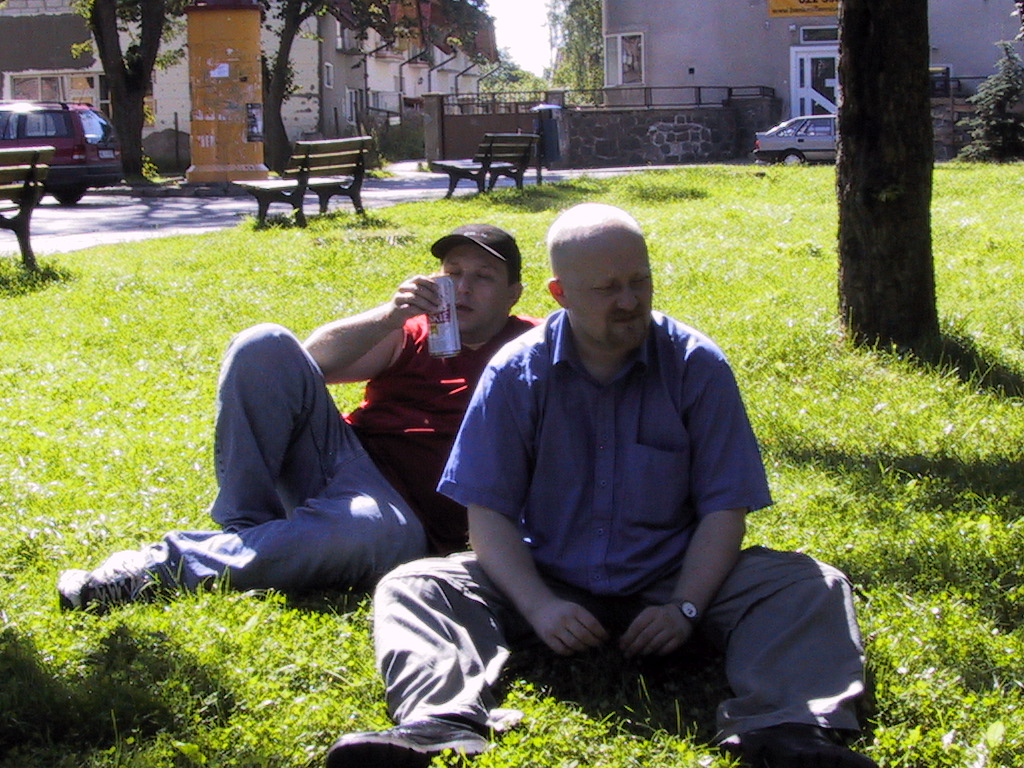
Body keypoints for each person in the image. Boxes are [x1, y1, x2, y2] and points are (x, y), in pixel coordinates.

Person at [325, 204, 877, 768]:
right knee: (416, 585)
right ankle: (440, 723)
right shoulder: (517, 370)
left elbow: (725, 509)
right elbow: (487, 512)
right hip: (547, 572)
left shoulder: (696, 364)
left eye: (640, 281)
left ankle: (790, 730)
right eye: (608, 288)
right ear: (560, 293)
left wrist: (685, 606)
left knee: (808, 584)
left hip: (673, 573)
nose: (630, 301)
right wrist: (540, 606)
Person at [57, 224, 537, 611]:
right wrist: (391, 314)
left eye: (483, 277)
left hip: (400, 517)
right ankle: (246, 527)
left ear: (513, 293)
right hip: (341, 461)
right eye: (453, 273)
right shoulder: (412, 330)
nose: (463, 287)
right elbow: (308, 364)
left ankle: (153, 570)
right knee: (263, 343)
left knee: (367, 532)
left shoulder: (534, 347)